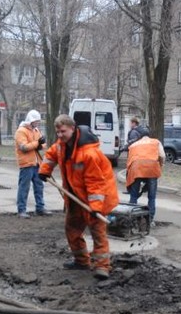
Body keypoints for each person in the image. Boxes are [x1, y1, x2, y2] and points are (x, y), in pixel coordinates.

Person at [38, 114, 119, 280]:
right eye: (58, 132)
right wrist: (45, 169)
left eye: (63, 131)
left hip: (97, 198)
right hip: (75, 197)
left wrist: (95, 208)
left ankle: (102, 267)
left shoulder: (89, 153)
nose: (60, 135)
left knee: (97, 233)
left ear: (73, 129)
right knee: (72, 229)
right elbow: (51, 154)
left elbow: (96, 183)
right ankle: (82, 261)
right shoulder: (62, 145)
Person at [14, 110, 52, 219]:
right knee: (24, 187)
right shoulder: (21, 131)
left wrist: (40, 144)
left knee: (39, 186)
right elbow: (24, 147)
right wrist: (37, 143)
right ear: (30, 121)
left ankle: (40, 208)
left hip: (36, 163)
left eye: (38, 122)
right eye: (36, 121)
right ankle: (21, 210)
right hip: (26, 164)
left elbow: (42, 145)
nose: (38, 123)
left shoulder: (36, 130)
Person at [126, 127, 164, 226]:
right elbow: (162, 155)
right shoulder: (156, 142)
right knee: (152, 196)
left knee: (133, 195)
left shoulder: (133, 145)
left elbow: (129, 162)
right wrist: (160, 165)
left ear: (139, 136)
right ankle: (150, 219)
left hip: (136, 168)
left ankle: (132, 218)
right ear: (149, 135)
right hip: (152, 167)